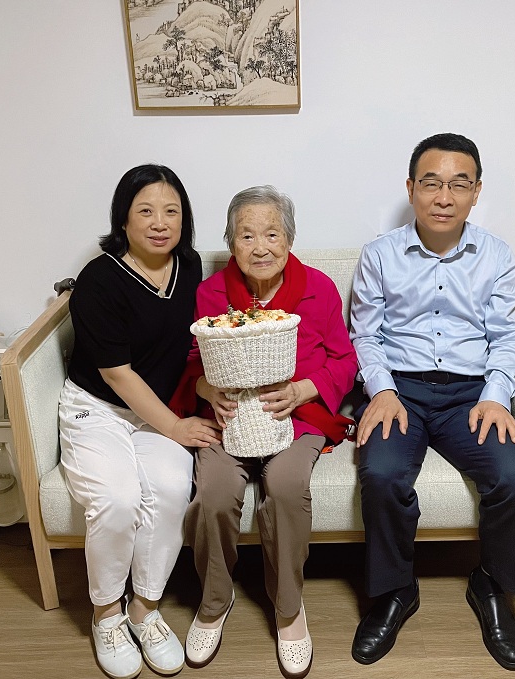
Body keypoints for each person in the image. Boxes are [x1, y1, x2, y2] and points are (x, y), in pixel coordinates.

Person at [349, 133, 515, 671]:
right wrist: (382, 390)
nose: (443, 196)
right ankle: (395, 590)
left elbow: (506, 336)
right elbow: (365, 334)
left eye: (459, 184)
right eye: (431, 182)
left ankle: (492, 585)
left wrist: (497, 396)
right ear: (411, 187)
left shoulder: (496, 255)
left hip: (470, 395)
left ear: (476, 192)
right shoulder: (380, 254)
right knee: (382, 474)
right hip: (400, 391)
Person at [169, 185, 357, 678]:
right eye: (246, 235)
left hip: (296, 417)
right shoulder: (211, 293)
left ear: (289, 239)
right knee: (214, 491)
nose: (260, 247)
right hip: (229, 416)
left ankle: (289, 608)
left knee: (287, 484)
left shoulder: (318, 288)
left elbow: (344, 359)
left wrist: (303, 390)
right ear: (231, 243)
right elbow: (191, 361)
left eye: (271, 234)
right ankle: (214, 601)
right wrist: (206, 389)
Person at [58, 164, 221, 679]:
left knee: (172, 489)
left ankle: (144, 609)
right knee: (118, 498)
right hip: (98, 409)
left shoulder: (189, 266)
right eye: (145, 211)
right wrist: (175, 427)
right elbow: (118, 374)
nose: (159, 222)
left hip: (158, 408)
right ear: (123, 220)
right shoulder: (98, 280)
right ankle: (106, 614)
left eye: (171, 211)